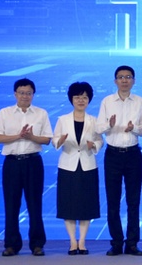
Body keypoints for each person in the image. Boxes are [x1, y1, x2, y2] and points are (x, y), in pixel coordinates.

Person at [0, 78, 52, 256]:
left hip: (33, 162)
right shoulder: (5, 113)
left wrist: (31, 137)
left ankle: (37, 244)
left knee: (35, 204)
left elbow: (47, 139)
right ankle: (11, 245)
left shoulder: (41, 113)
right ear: (15, 94)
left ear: (33, 94)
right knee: (11, 204)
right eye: (21, 93)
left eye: (28, 93)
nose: (25, 96)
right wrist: (19, 136)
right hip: (12, 163)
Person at [95, 65, 142, 256]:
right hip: (113, 155)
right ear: (115, 81)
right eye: (120, 77)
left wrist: (134, 128)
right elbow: (98, 128)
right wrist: (109, 125)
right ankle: (116, 242)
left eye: (128, 77)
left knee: (134, 201)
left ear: (134, 80)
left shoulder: (140, 101)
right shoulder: (107, 101)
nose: (124, 80)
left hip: (133, 154)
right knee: (113, 200)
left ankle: (132, 243)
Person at [53, 82, 103, 256]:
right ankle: (72, 242)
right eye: (77, 97)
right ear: (71, 99)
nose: (81, 100)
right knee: (68, 205)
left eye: (84, 97)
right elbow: (55, 140)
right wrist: (60, 141)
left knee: (85, 205)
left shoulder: (94, 120)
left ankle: (82, 241)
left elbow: (100, 140)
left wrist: (93, 145)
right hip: (68, 165)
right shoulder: (63, 120)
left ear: (89, 100)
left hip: (88, 165)